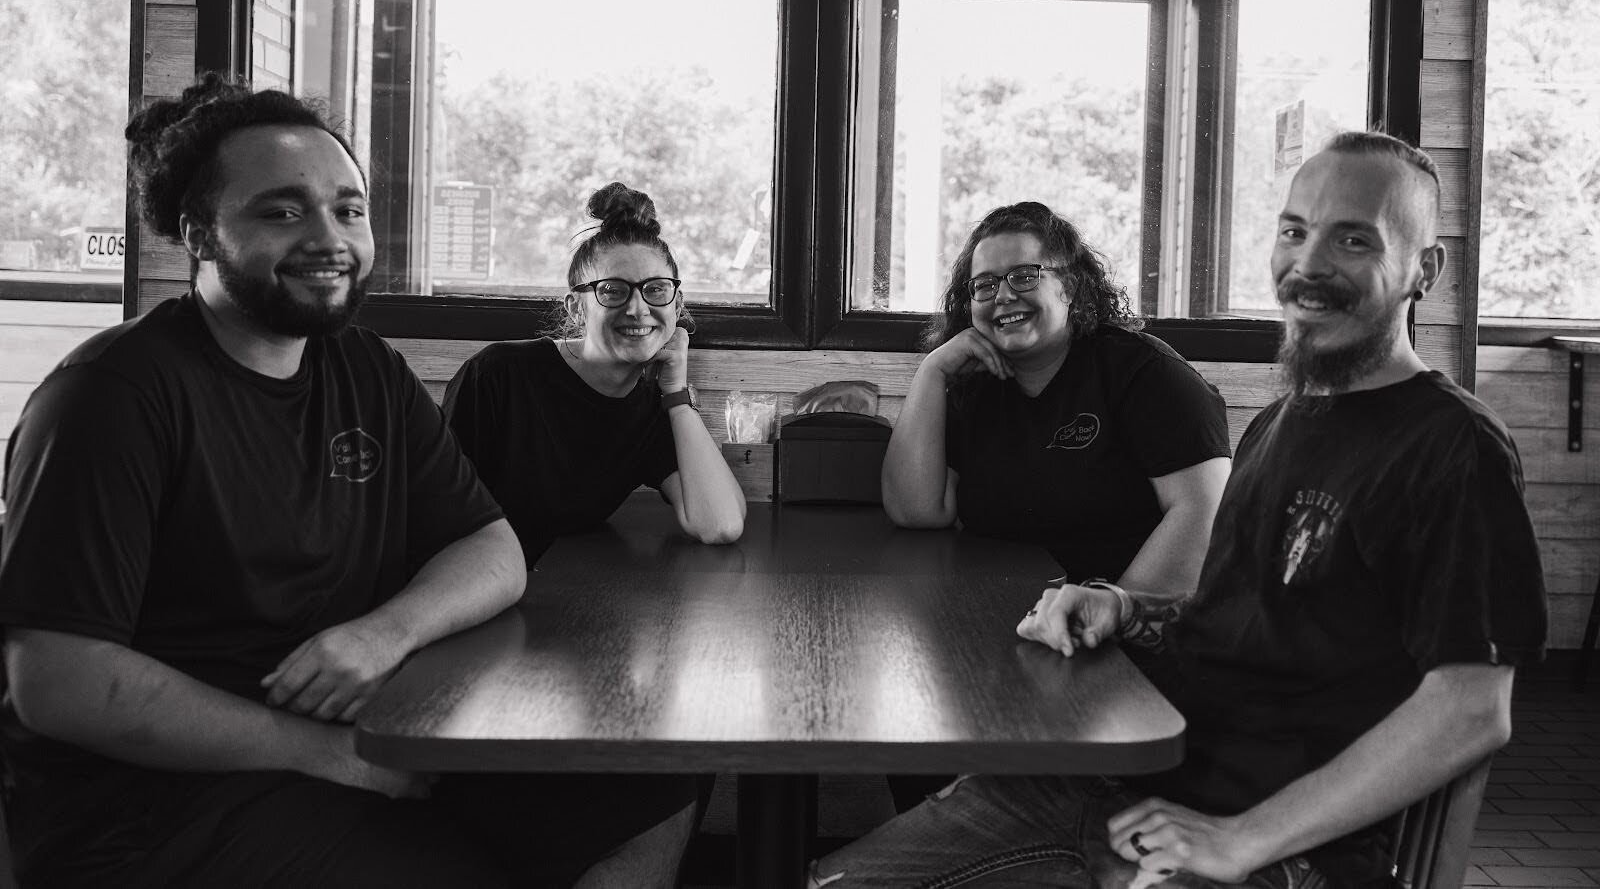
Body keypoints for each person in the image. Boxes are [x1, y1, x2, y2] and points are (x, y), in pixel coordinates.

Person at [0, 75, 695, 888]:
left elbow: (491, 546)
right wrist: (324, 754)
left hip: (360, 727)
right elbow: (57, 682)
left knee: (654, 787)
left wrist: (383, 634)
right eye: (282, 210)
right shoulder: (113, 396)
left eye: (349, 209)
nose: (329, 236)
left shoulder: (363, 367)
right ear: (197, 233)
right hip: (153, 807)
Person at [811, 132, 1548, 888]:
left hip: (1274, 844)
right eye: (1294, 232)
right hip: (1139, 780)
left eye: (1353, 238)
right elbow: (1222, 617)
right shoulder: (1284, 423)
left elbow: (1472, 708)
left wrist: (1239, 839)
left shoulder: (1453, 446)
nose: (1310, 263)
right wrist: (1122, 608)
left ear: (1424, 268)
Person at [883, 201, 1231, 594]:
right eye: (985, 284)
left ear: (1070, 286)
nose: (1002, 295)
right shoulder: (971, 383)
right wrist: (933, 371)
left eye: (1024, 276)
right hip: (995, 614)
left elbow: (1206, 512)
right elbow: (917, 511)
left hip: (1128, 633)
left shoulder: (1145, 372)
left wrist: (1105, 615)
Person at [442, 182, 746, 564]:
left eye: (656, 290)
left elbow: (721, 524)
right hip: (473, 576)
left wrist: (678, 397)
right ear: (576, 308)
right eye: (614, 290)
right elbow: (433, 510)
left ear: (676, 304)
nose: (637, 308)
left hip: (569, 587)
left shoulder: (655, 405)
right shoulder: (496, 376)